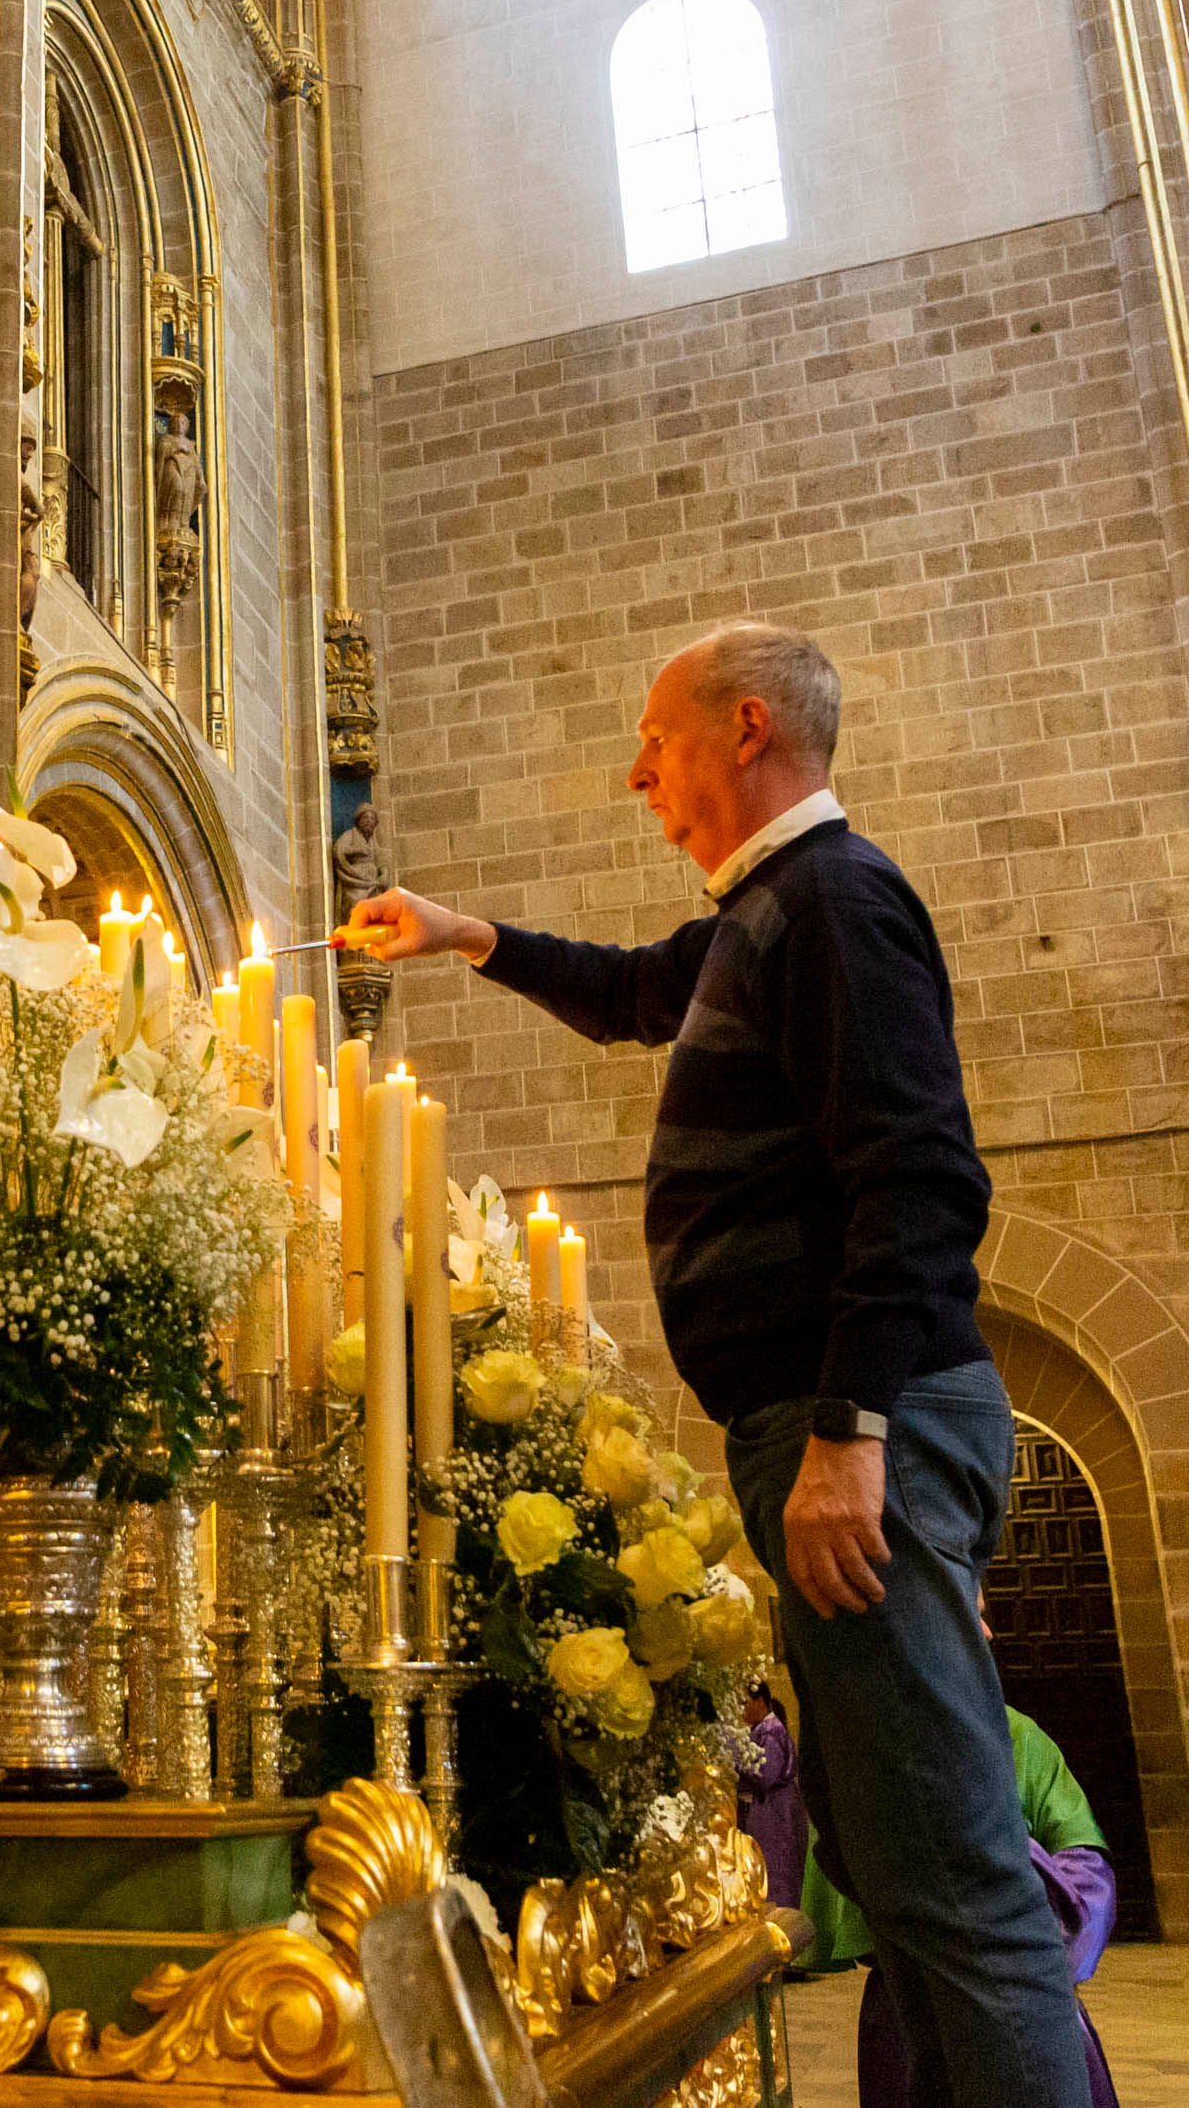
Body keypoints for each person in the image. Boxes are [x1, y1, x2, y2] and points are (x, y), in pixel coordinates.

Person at [348, 620, 1089, 2104]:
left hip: (858, 1426)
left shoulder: (834, 900)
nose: (638, 775)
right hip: (824, 1423)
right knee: (902, 1879)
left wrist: (847, 1427)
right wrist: (462, 934)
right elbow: (636, 988)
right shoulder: (765, 916)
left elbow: (921, 1176)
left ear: (747, 730)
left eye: (656, 741)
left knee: (955, 1883)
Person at [803, 1703, 1121, 2106]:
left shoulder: (1018, 1734)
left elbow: (1088, 1871)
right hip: (910, 2013)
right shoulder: (858, 1752)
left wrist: (1032, 1935)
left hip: (1028, 2003)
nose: (987, 1635)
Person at [737, 1680, 803, 1908]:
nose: (741, 1709)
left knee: (776, 1868)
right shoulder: (761, 1731)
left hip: (775, 1809)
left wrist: (737, 1761)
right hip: (771, 1807)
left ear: (761, 1702)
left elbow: (766, 1774)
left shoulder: (771, 1731)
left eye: (745, 1703)